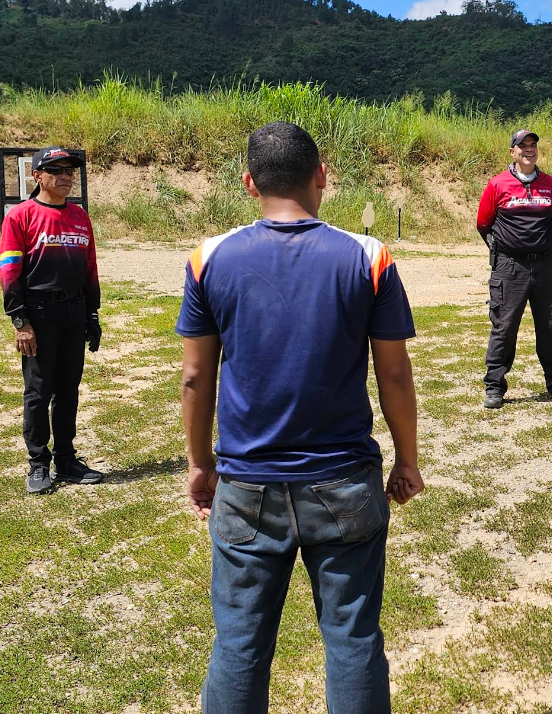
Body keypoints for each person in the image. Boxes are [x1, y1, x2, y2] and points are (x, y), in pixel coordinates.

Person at [176, 122, 424, 714]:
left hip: (246, 483)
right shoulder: (368, 257)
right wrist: (407, 459)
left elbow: (194, 376)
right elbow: (394, 373)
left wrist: (198, 464)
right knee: (353, 639)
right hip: (343, 480)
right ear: (321, 176)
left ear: (249, 182)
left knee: (238, 643)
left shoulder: (208, 257)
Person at [0, 146, 104, 495]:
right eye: (55, 170)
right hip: (39, 314)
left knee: (68, 390)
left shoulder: (79, 216)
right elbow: (9, 271)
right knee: (38, 391)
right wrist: (20, 321)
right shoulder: (21, 216)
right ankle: (38, 463)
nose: (64, 176)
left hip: (74, 312)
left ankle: (67, 459)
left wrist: (91, 312)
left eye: (69, 171)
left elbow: (89, 267)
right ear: (36, 176)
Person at [476, 128, 552, 409]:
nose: (529, 149)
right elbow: (483, 223)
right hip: (509, 267)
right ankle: (494, 387)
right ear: (512, 152)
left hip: (545, 266)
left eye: (533, 145)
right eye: (522, 145)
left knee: (551, 326)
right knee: (504, 327)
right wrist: (506, 250)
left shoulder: (551, 185)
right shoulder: (497, 185)